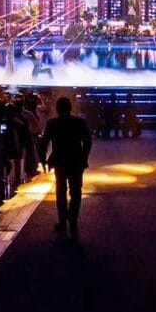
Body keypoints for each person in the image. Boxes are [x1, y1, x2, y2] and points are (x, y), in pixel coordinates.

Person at [38, 97, 92, 239]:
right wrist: (84, 157)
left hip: (60, 160)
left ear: (57, 109)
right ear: (70, 108)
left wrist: (43, 159)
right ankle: (72, 217)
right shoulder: (79, 123)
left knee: (60, 191)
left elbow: (44, 143)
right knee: (76, 190)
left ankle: (62, 220)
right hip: (76, 160)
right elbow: (87, 141)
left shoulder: (52, 123)